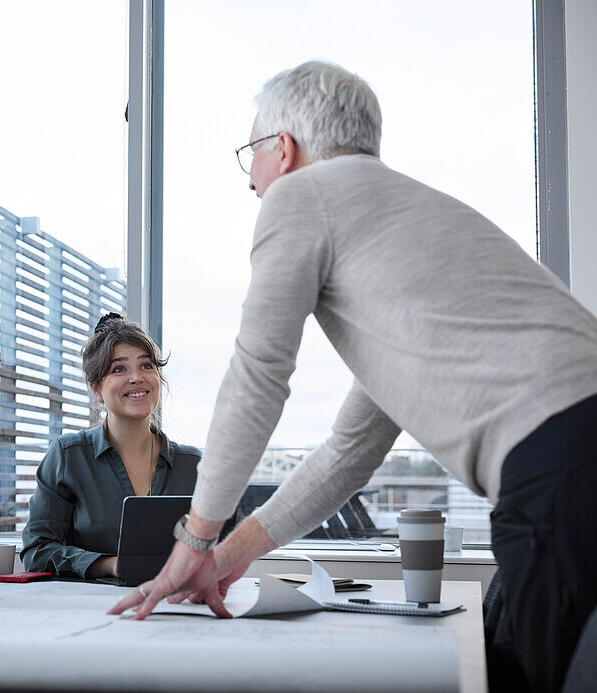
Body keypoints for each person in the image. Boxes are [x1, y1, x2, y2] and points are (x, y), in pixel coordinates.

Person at [109, 60, 597, 693]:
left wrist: (195, 542)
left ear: (282, 150)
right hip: (570, 457)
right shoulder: (411, 229)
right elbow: (347, 455)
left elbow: (258, 376)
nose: (251, 182)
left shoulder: (301, 196)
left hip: (559, 461)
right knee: (506, 655)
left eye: (250, 155)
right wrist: (227, 558)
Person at [21, 313, 201, 579]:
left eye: (147, 366)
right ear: (96, 389)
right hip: (89, 609)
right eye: (119, 369)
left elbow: (216, 547)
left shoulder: (193, 464)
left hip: (176, 606)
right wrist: (112, 564)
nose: (137, 378)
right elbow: (37, 552)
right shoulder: (69, 456)